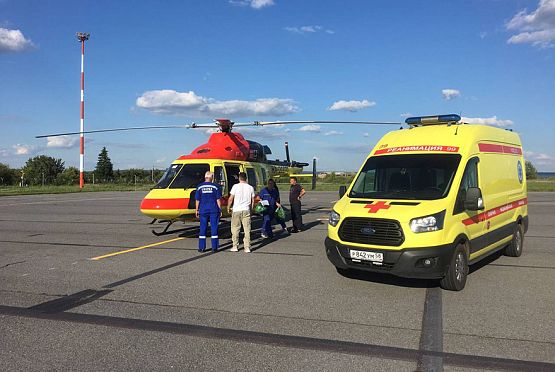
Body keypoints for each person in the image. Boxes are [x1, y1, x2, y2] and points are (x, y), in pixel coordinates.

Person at [227, 172, 255, 253]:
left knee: (235, 228)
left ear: (239, 178)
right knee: (247, 229)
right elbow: (252, 201)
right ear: (246, 178)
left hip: (236, 210)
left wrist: (228, 207)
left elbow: (231, 198)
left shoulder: (235, 186)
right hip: (246, 209)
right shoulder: (250, 188)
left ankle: (235, 246)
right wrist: (251, 209)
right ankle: (247, 247)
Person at [195, 171, 222, 252]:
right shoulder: (216, 187)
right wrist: (220, 209)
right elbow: (218, 199)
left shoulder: (199, 187)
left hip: (203, 210)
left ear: (205, 177)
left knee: (203, 228)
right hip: (214, 209)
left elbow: (197, 200)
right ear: (212, 178)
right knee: (214, 227)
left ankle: (202, 247)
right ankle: (214, 247)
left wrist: (196, 209)